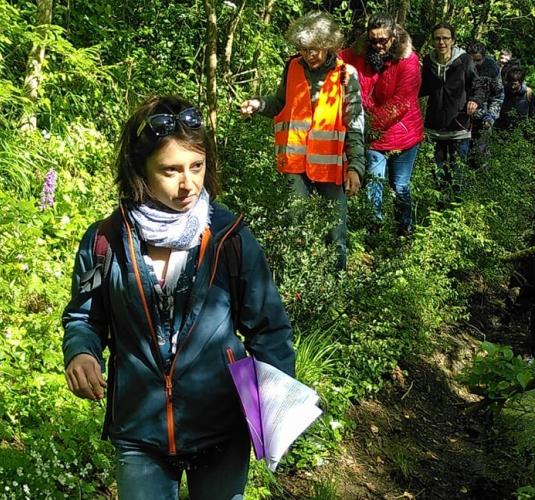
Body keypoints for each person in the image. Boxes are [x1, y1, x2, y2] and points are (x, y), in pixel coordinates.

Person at [62, 95, 295, 499]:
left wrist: (275, 412)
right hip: (139, 430)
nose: (188, 184)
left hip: (223, 427)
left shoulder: (230, 238)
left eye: (196, 166)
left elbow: (268, 328)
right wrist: (81, 351)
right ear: (139, 170)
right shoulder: (105, 241)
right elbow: (84, 316)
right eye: (170, 170)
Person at [239, 11, 365, 270]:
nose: (309, 55)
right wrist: (258, 104)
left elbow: (354, 122)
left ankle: (335, 282)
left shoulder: (346, 73)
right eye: (304, 49)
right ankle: (295, 279)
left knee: (335, 231)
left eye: (315, 49)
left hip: (331, 166)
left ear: (329, 45)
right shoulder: (292, 67)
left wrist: (356, 166)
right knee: (294, 226)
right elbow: (279, 103)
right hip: (295, 163)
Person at [340, 13, 423, 237]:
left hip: (403, 134)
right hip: (374, 138)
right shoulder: (358, 53)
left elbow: (401, 102)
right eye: (373, 40)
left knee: (400, 186)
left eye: (382, 40)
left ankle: (404, 230)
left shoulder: (408, 60)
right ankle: (373, 231)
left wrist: (368, 126)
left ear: (393, 37)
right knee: (374, 184)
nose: (378, 45)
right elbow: (335, 60)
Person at [419, 22, 484, 190]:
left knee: (457, 176)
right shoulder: (428, 61)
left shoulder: (464, 60)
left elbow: (477, 85)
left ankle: (458, 203)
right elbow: (421, 88)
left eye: (445, 38)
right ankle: (439, 206)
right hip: (434, 128)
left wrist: (474, 100)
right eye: (437, 39)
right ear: (432, 41)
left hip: (459, 127)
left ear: (453, 40)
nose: (441, 42)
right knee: (437, 177)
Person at [465, 42, 504, 168]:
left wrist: (491, 116)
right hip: (461, 117)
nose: (474, 64)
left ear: (484, 57)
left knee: (481, 154)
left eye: (478, 60)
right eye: (471, 60)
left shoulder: (491, 68)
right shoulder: (460, 65)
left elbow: (498, 96)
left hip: (483, 117)